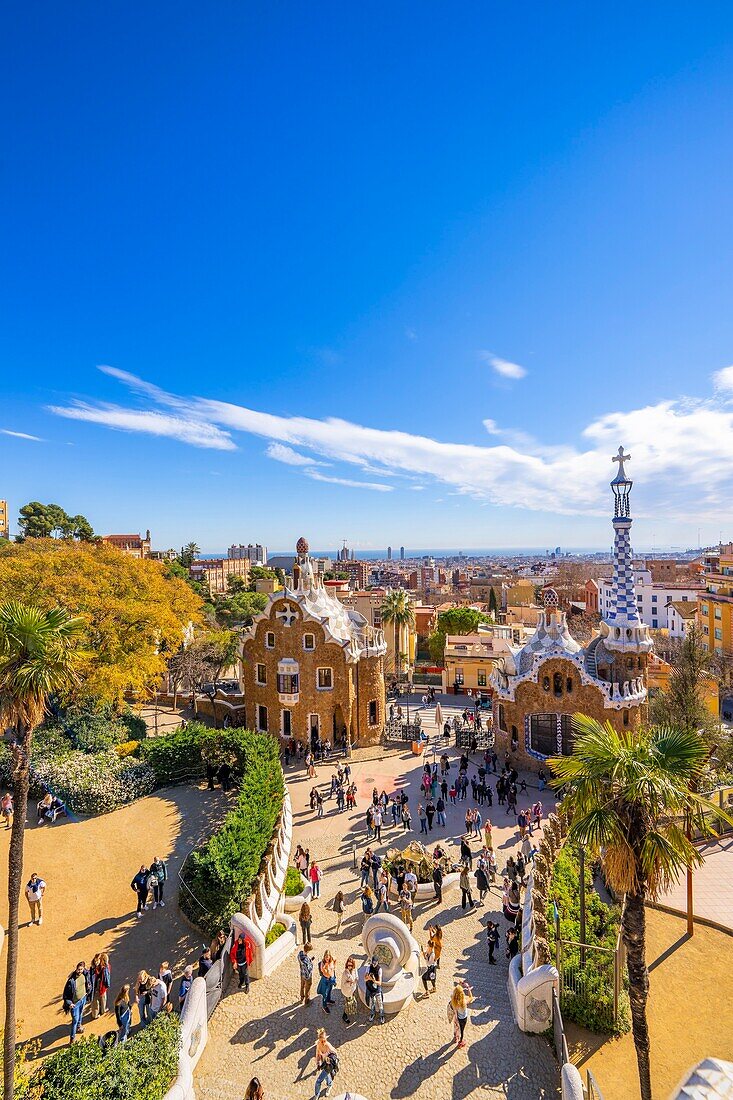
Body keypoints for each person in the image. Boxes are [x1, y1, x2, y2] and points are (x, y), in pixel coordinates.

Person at [62, 961, 91, 1043]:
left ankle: (79, 1027)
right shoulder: (71, 981)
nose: (80, 971)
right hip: (75, 1004)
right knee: (75, 1020)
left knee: (81, 1014)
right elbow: (65, 995)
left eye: (81, 969)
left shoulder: (85, 974)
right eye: (78, 969)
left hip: (83, 999)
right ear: (76, 969)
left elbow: (89, 983)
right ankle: (72, 1038)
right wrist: (70, 1003)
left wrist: (88, 991)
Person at [314, 1028, 339, 1098]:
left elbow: (335, 1053)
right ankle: (330, 1084)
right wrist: (318, 1064)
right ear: (319, 1039)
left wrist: (330, 1059)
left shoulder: (328, 1045)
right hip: (323, 1064)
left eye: (325, 1039)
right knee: (326, 1076)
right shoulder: (318, 1044)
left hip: (328, 1066)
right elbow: (318, 1054)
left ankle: (317, 1095)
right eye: (322, 1040)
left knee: (318, 1081)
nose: (324, 1041)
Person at [449, 980, 474, 1048]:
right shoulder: (464, 1002)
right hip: (463, 1019)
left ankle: (456, 1037)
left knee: (456, 1028)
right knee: (462, 1030)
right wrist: (468, 988)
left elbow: (455, 993)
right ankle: (461, 1041)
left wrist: (460, 985)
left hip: (456, 1017)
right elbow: (471, 997)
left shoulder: (453, 999)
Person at [90, 952, 111, 1018]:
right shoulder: (105, 967)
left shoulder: (101, 968)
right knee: (99, 1000)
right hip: (99, 987)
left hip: (100, 987)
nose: (96, 963)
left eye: (97, 961)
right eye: (95, 961)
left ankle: (100, 1012)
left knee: (98, 1001)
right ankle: (96, 1014)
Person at [364, 955, 385, 1023]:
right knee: (372, 1003)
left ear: (377, 962)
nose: (373, 964)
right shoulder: (368, 968)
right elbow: (365, 979)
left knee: (380, 1002)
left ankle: (382, 1016)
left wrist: (373, 980)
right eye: (373, 962)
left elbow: (380, 983)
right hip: (370, 988)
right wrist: (368, 977)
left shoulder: (379, 969)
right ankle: (372, 1014)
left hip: (377, 989)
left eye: (375, 963)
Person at [340, 955, 358, 1025]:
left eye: (351, 965)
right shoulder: (345, 973)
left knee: (351, 1002)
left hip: (353, 990)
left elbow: (356, 976)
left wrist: (356, 979)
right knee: (347, 1004)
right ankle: (345, 1015)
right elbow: (343, 984)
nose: (349, 966)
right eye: (348, 965)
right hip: (347, 991)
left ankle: (350, 1011)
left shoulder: (354, 970)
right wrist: (350, 983)